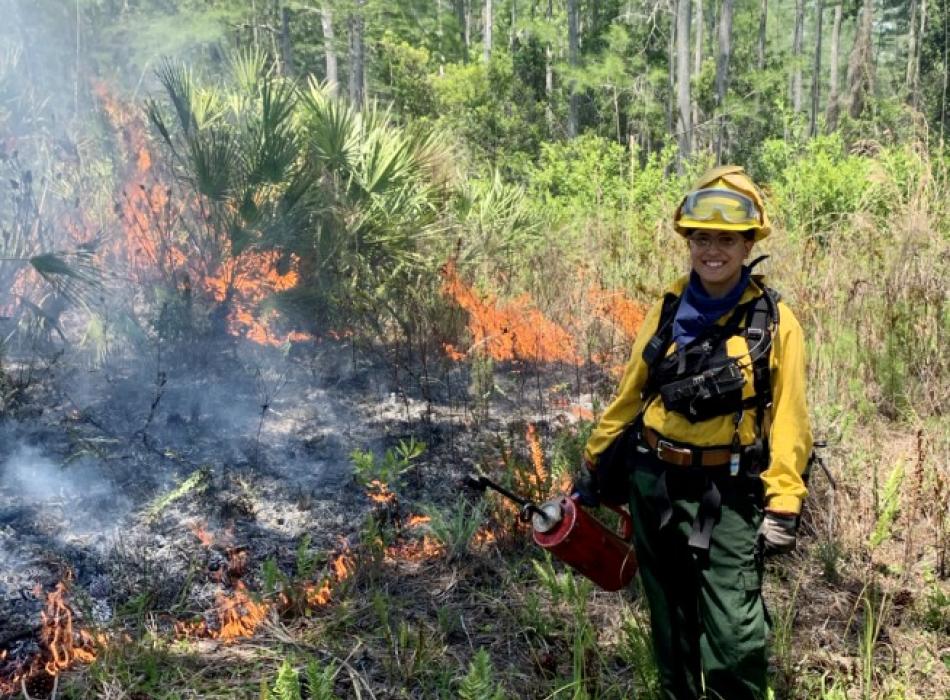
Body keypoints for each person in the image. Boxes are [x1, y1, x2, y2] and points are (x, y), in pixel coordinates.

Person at [575, 165, 812, 700]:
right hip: (654, 481)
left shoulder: (776, 322)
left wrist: (784, 502)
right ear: (687, 240)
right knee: (671, 623)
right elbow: (631, 391)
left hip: (725, 495)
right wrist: (594, 463)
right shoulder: (667, 307)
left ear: (749, 244)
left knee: (733, 636)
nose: (713, 250)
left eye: (727, 239)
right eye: (702, 237)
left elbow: (791, 420)